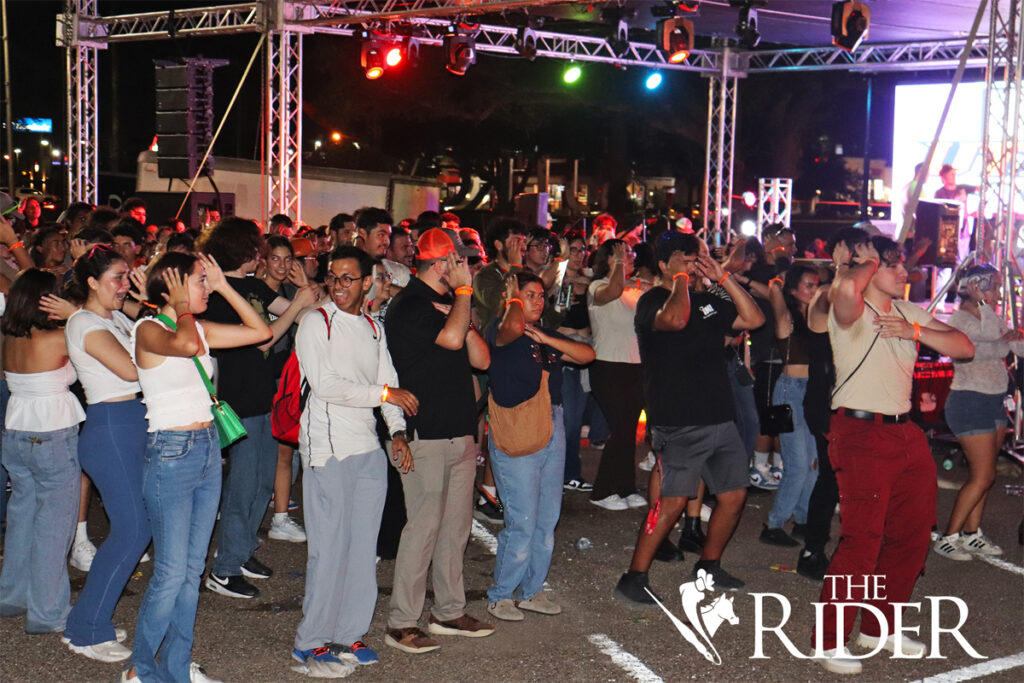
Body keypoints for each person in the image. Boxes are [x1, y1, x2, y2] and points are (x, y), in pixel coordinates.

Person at [813, 236, 973, 674]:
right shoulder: (851, 309)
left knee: (913, 535)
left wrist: (916, 331)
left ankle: (878, 629)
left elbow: (964, 347)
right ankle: (828, 641)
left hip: (905, 435)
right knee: (862, 540)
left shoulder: (907, 312)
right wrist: (859, 263)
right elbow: (846, 291)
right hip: (860, 432)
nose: (906, 273)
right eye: (895, 266)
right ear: (868, 268)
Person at [125, 251, 271, 683]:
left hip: (208, 448)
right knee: (170, 573)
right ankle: (139, 668)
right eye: (200, 281)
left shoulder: (198, 328)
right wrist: (182, 307)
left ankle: (174, 668)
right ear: (172, 286)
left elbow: (260, 332)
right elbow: (186, 345)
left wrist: (226, 285)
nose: (206, 288)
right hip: (171, 451)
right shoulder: (148, 329)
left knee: (191, 571)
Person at [614, 233, 764, 604]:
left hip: (718, 415)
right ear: (664, 264)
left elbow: (754, 318)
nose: (693, 264)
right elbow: (677, 320)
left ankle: (708, 566)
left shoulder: (709, 300)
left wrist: (723, 277)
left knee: (733, 495)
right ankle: (634, 577)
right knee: (673, 503)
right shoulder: (652, 301)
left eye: (696, 258)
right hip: (678, 419)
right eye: (684, 258)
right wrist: (680, 278)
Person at [290, 245, 416, 676]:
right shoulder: (315, 323)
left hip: (367, 449)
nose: (339, 285)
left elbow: (389, 381)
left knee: (363, 550)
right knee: (329, 551)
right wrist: (383, 397)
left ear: (367, 282)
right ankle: (309, 642)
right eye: (333, 277)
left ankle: (348, 633)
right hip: (327, 451)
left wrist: (396, 430)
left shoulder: (373, 328)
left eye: (349, 278)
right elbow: (325, 385)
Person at [384, 228, 494, 654]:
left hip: (459, 430)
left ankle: (448, 610)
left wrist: (460, 305)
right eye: (459, 260)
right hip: (424, 432)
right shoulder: (409, 304)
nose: (465, 268)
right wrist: (462, 298)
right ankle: (402, 622)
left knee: (455, 528)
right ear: (440, 263)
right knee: (424, 529)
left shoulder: (451, 304)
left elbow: (481, 359)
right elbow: (450, 339)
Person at [200, 219, 318, 599]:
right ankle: (224, 568)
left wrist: (303, 292)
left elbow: (303, 315)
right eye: (257, 249)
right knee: (243, 485)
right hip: (239, 399)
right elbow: (264, 342)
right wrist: (297, 304)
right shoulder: (217, 295)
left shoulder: (252, 287)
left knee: (264, 481)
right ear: (243, 251)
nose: (262, 255)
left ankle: (243, 548)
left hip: (267, 397)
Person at [484, 270, 595, 621]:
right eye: (528, 294)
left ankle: (532, 591)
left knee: (547, 518)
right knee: (523, 521)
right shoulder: (499, 330)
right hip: (517, 427)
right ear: (512, 297)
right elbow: (511, 330)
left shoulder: (541, 333)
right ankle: (501, 595)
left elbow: (586, 355)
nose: (537, 300)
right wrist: (514, 299)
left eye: (539, 295)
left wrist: (550, 341)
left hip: (553, 425)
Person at [61, 246, 150, 662]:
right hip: (112, 426)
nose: (125, 285)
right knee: (132, 530)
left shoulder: (113, 317)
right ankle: (85, 630)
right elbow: (133, 370)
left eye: (128, 276)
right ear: (92, 282)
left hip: (132, 421)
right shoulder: (82, 322)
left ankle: (87, 617)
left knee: (136, 528)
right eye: (118, 277)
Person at [0, 269, 86, 634]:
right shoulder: (58, 338)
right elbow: (98, 335)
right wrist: (75, 314)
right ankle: (48, 612)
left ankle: (12, 595)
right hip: (51, 434)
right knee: (55, 525)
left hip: (16, 431)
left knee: (22, 517)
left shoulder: (8, 337)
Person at [934, 265, 1019, 560]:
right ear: (975, 286)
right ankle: (948, 537)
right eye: (992, 287)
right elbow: (978, 345)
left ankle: (972, 534)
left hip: (993, 400)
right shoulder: (960, 319)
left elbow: (1016, 347)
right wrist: (1000, 337)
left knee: (987, 474)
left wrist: (1013, 336)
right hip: (968, 401)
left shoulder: (989, 315)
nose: (997, 293)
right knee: (982, 476)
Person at [759, 264, 821, 547]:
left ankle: (803, 520)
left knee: (812, 464)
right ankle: (773, 524)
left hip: (813, 393)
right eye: (808, 284)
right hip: (789, 392)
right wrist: (776, 282)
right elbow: (774, 295)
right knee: (797, 465)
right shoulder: (788, 318)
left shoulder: (818, 319)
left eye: (816, 284)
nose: (814, 289)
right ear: (794, 289)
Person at [586, 239, 646, 511]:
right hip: (608, 365)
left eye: (631, 252)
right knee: (620, 427)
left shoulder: (633, 288)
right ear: (609, 259)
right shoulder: (597, 287)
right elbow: (613, 290)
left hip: (635, 366)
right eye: (623, 253)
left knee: (628, 430)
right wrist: (621, 264)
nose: (630, 256)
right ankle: (602, 491)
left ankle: (625, 486)